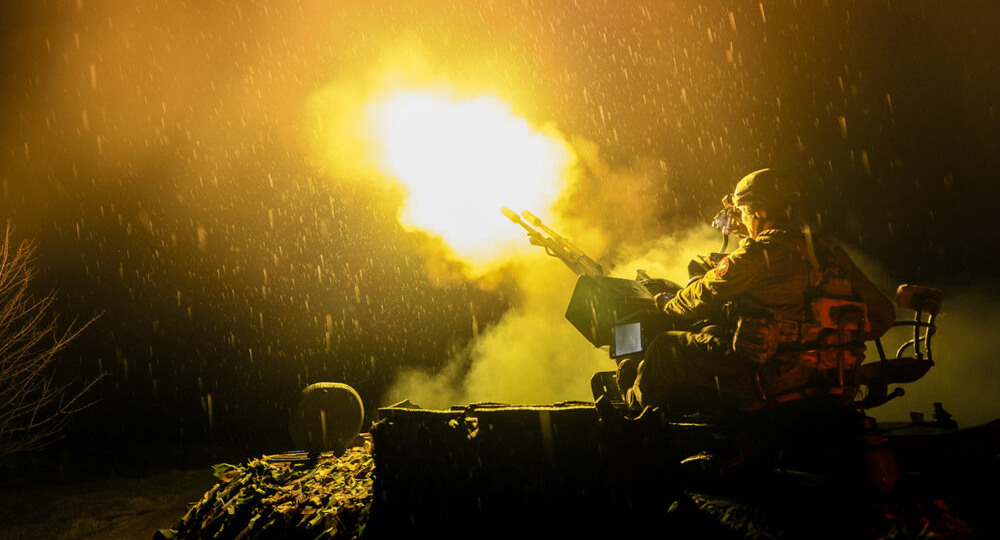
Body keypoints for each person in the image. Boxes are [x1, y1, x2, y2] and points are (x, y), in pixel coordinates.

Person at [619, 168, 896, 413]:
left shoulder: (756, 255)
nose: (741, 220)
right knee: (713, 332)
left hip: (767, 378)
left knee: (665, 347)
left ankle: (633, 407)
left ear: (759, 212)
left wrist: (667, 303)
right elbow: (883, 315)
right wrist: (821, 344)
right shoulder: (829, 252)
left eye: (743, 213)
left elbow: (702, 294)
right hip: (833, 379)